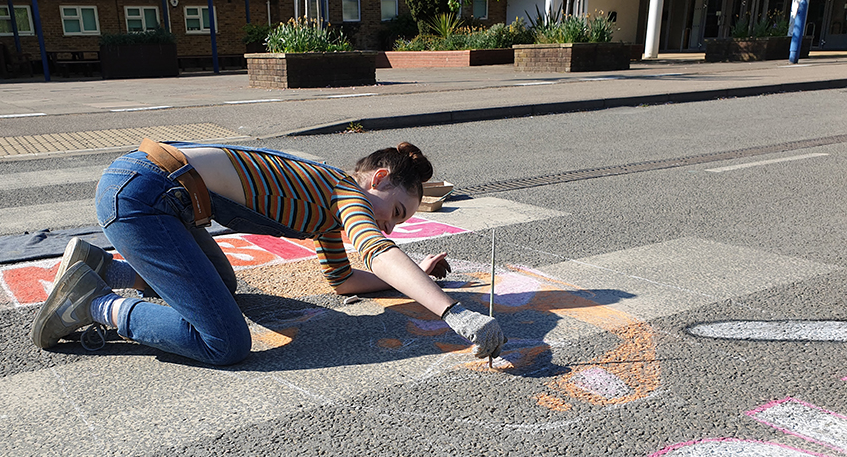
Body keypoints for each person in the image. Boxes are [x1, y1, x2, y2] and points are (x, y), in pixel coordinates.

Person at [31, 139, 505, 365]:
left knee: (224, 285)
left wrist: (418, 273)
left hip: (153, 194)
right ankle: (93, 303)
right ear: (378, 178)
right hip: (145, 196)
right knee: (224, 342)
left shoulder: (326, 206)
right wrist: (454, 313)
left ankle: (108, 271)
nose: (393, 224)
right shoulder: (347, 194)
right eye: (397, 210)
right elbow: (376, 247)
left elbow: (344, 281)